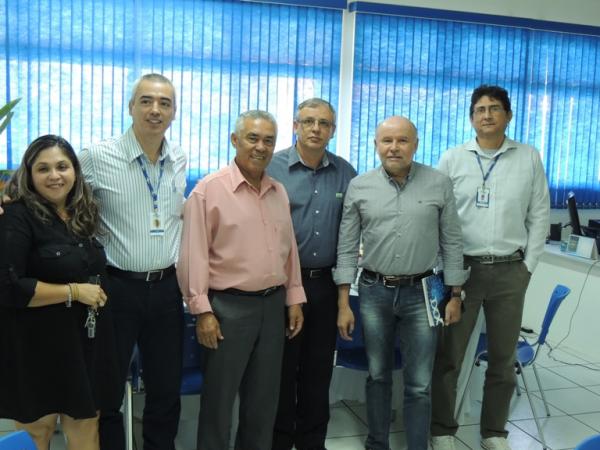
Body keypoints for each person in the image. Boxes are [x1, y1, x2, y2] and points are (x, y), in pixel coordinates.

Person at [335, 116, 468, 450]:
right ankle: (377, 443)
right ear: (376, 145)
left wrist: (455, 294)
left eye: (402, 140)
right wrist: (342, 302)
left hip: (422, 293)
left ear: (415, 144)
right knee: (378, 375)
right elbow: (347, 247)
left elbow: (452, 242)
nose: (394, 148)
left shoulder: (438, 183)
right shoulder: (360, 186)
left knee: (419, 384)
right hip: (374, 292)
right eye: (387, 141)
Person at [177, 110, 306, 450]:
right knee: (219, 405)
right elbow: (193, 255)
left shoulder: (278, 191)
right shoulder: (208, 190)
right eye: (253, 138)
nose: (261, 147)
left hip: (273, 306)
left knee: (263, 403)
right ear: (235, 140)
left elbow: (289, 250)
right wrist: (202, 312)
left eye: (268, 141)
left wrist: (294, 297)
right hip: (227, 310)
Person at [430, 85, 550, 450]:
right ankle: (441, 430)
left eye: (494, 108)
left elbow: (539, 215)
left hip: (510, 271)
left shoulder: (528, 157)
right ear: (471, 118)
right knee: (450, 356)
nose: (487, 115)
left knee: (502, 358)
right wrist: (444, 267)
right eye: (480, 109)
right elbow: (439, 215)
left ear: (508, 115)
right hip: (462, 272)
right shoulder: (453, 158)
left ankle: (493, 432)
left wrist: (527, 267)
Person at [79, 73, 187, 450]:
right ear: (131, 107)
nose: (155, 110)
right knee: (107, 390)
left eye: (164, 103)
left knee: (166, 389)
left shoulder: (179, 159)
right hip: (116, 289)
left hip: (167, 288)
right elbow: (56, 194)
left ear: (174, 112)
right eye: (146, 101)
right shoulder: (96, 156)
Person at [0, 135, 119, 450]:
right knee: (36, 432)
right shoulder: (16, 216)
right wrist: (74, 292)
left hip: (85, 343)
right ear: (29, 175)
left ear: (75, 171)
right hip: (35, 344)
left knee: (86, 427)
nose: (54, 175)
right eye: (43, 169)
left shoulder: (83, 213)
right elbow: (9, 287)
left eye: (62, 166)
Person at [267, 98, 356, 450]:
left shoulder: (345, 173)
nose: (316, 129)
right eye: (308, 121)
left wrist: (344, 299)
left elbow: (349, 234)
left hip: (324, 285)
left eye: (324, 123)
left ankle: (311, 442)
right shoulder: (272, 168)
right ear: (295, 126)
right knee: (281, 370)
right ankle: (279, 440)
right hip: (280, 285)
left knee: (318, 371)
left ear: (332, 130)